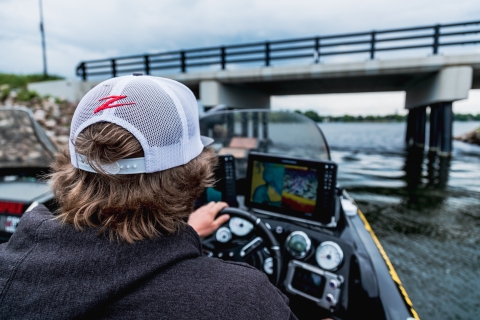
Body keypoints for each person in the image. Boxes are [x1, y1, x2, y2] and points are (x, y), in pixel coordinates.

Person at [0, 74, 296, 320]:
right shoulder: (244, 300)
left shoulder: (8, 267)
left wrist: (189, 233)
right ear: (194, 175)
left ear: (68, 168)